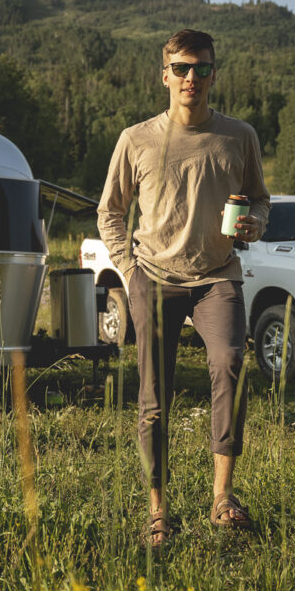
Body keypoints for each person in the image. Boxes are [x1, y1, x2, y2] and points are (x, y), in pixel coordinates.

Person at [96, 28, 270, 546]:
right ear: (165, 75)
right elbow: (110, 212)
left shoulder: (239, 136)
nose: (192, 77)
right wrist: (129, 269)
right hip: (154, 277)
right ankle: (158, 510)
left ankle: (222, 497)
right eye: (182, 68)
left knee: (230, 367)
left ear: (214, 73)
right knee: (155, 397)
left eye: (202, 68)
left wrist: (254, 223)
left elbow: (260, 199)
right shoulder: (137, 139)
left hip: (217, 276)